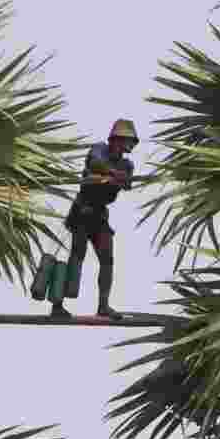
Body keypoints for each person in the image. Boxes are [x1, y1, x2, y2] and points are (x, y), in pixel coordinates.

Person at [50, 119, 138, 320]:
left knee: (107, 260)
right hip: (82, 212)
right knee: (76, 258)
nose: (128, 145)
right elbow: (95, 163)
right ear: (116, 140)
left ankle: (103, 306)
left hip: (99, 215)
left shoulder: (127, 164)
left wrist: (121, 178)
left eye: (130, 142)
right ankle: (58, 306)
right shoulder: (99, 149)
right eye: (126, 141)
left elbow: (127, 184)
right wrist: (112, 173)